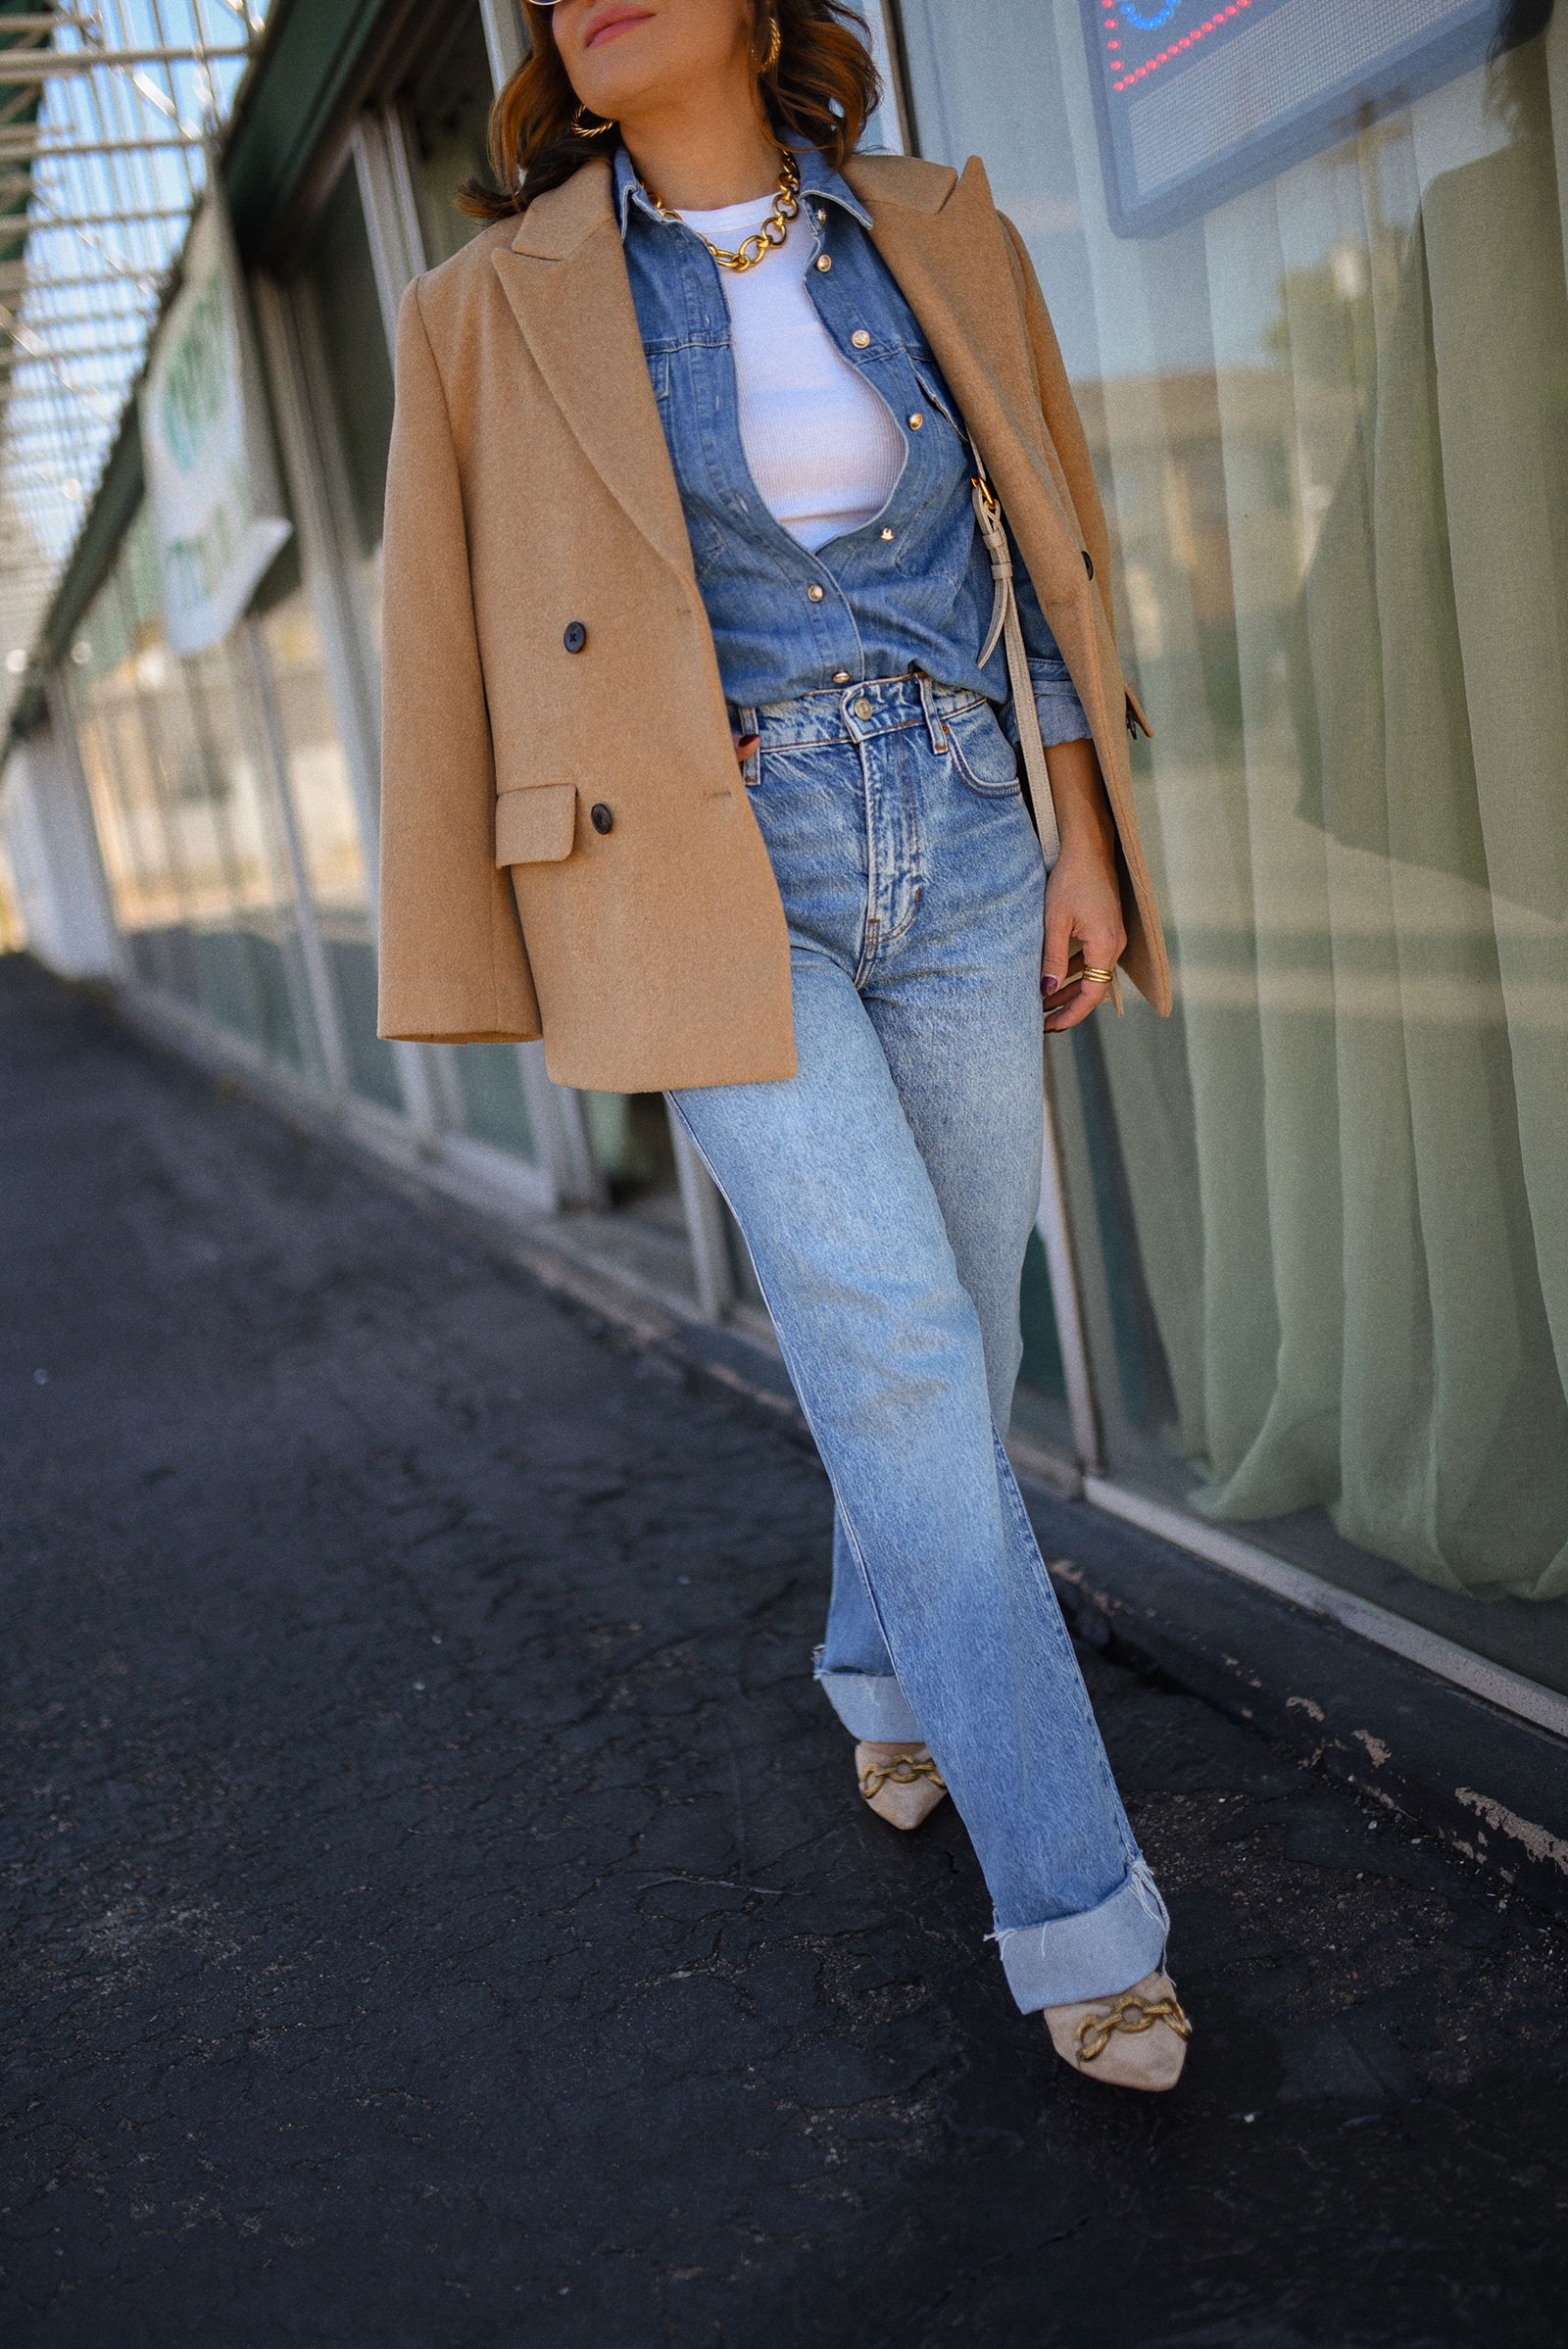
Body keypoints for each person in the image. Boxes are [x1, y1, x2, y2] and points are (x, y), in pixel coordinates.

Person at [377, 0, 1190, 2092]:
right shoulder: (489, 308)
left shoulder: (933, 224)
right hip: (703, 869)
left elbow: (1045, 544)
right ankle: (1082, 1912)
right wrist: (501, 912)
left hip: (972, 834)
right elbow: (445, 651)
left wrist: (1080, 831)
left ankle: (872, 1661)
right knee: (905, 1363)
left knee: (958, 1337)